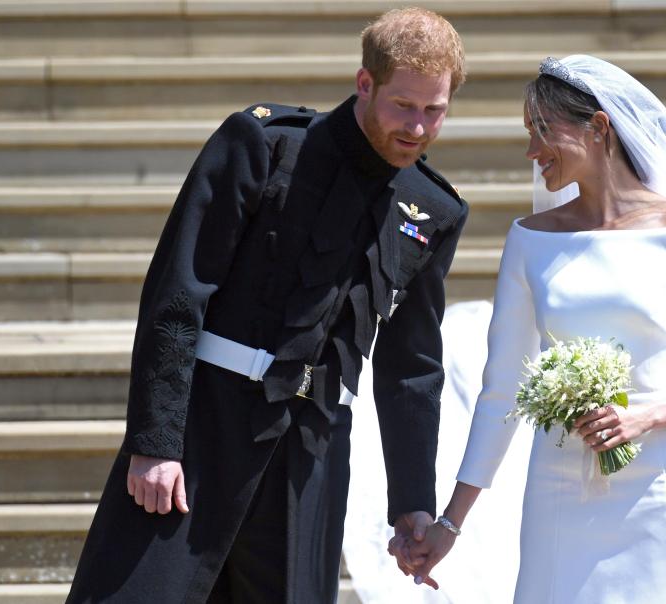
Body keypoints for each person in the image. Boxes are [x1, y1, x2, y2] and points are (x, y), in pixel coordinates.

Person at [66, 8, 468, 603]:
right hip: (206, 428)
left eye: (434, 111)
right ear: (365, 84)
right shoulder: (265, 146)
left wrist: (411, 502)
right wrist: (155, 442)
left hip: (313, 454)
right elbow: (177, 297)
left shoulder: (431, 209)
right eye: (403, 106)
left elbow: (412, 367)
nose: (418, 127)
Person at [394, 55, 666, 603]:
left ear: (598, 128)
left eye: (544, 132)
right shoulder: (529, 240)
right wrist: (450, 524)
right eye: (529, 134)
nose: (532, 152)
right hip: (557, 493)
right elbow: (501, 392)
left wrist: (644, 415)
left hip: (662, 489)